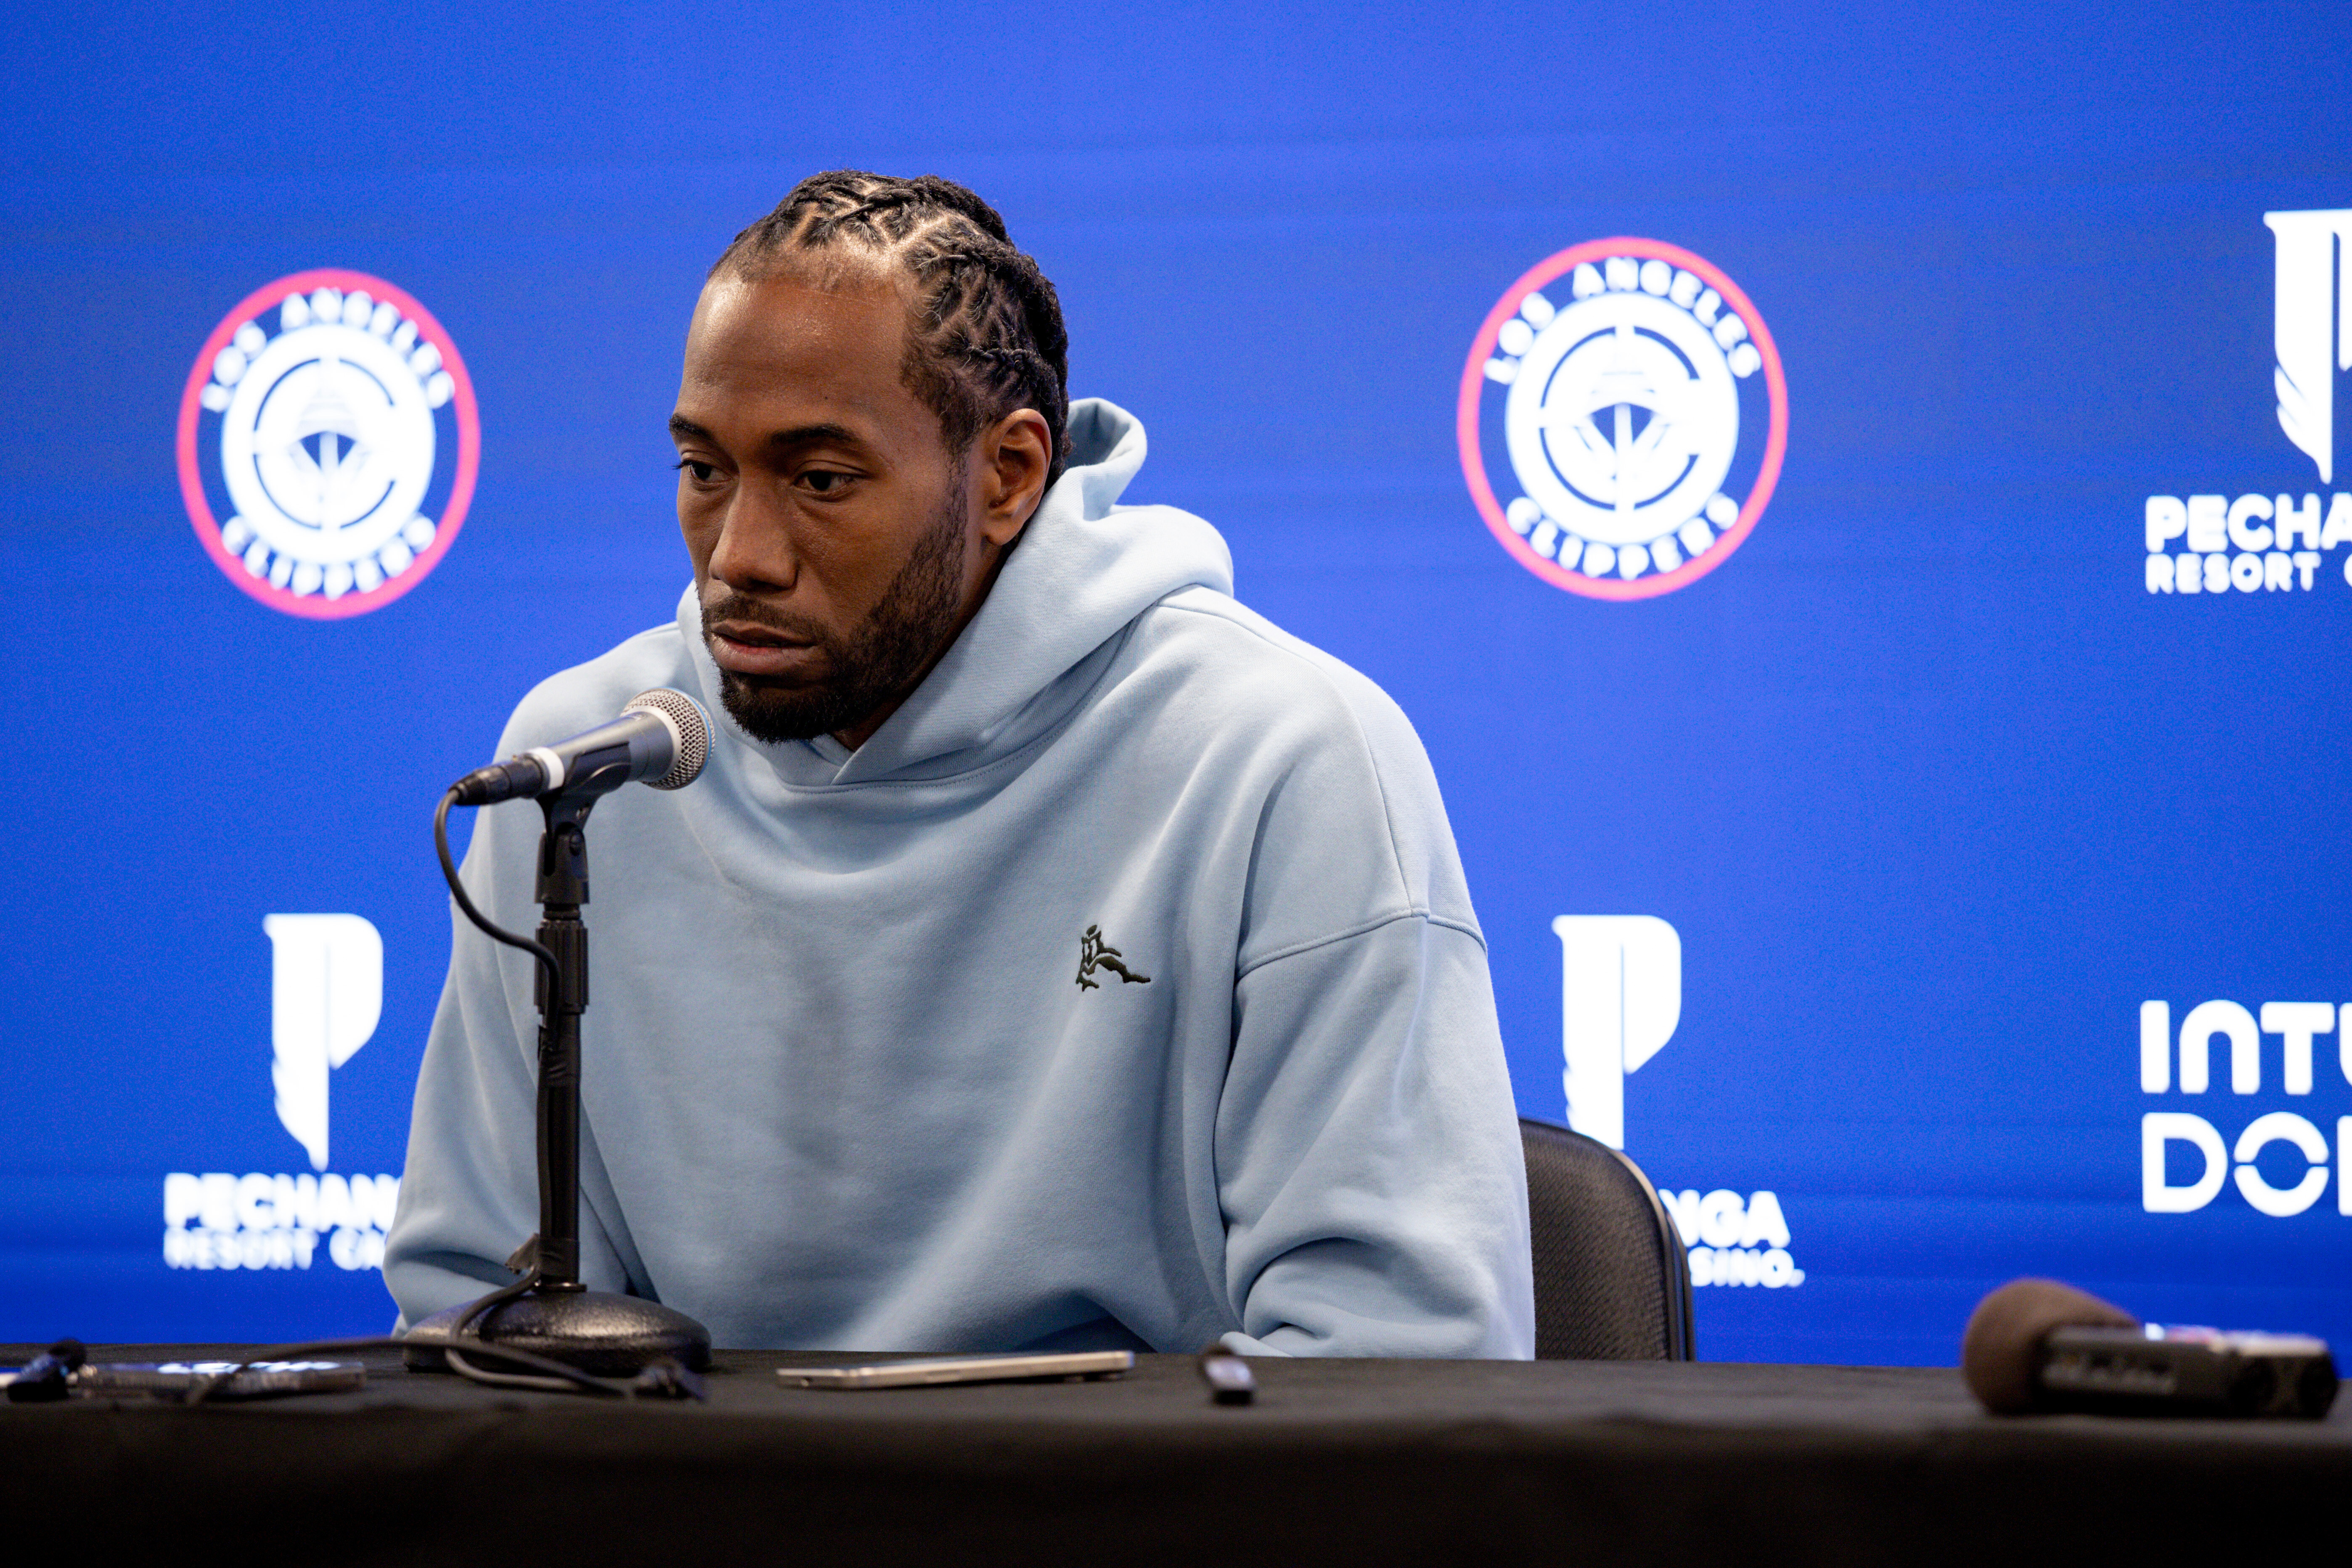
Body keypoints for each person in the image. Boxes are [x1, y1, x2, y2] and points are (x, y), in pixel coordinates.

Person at [385, 171, 1534, 1357]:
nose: (739, 556)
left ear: (1010, 473)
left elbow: (1399, 1358)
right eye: (704, 470)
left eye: (820, 480)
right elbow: (482, 1316)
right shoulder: (588, 768)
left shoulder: (1282, 759)